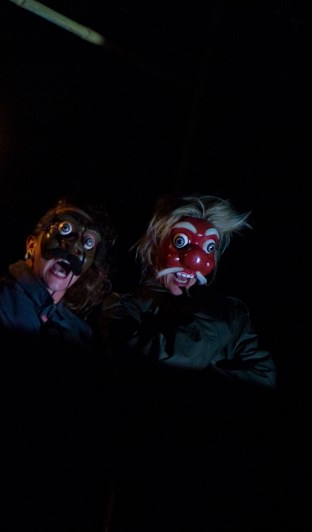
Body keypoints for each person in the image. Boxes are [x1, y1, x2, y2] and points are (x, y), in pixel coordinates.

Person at [97, 194, 279, 532]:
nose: (193, 261)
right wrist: (213, 348)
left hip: (212, 476)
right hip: (137, 470)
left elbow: (263, 380)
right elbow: (144, 364)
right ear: (156, 245)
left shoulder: (229, 312)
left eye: (208, 248)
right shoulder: (122, 306)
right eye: (181, 243)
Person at [0, 197, 117, 531]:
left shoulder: (81, 335)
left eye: (86, 243)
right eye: (64, 232)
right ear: (31, 245)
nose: (71, 249)